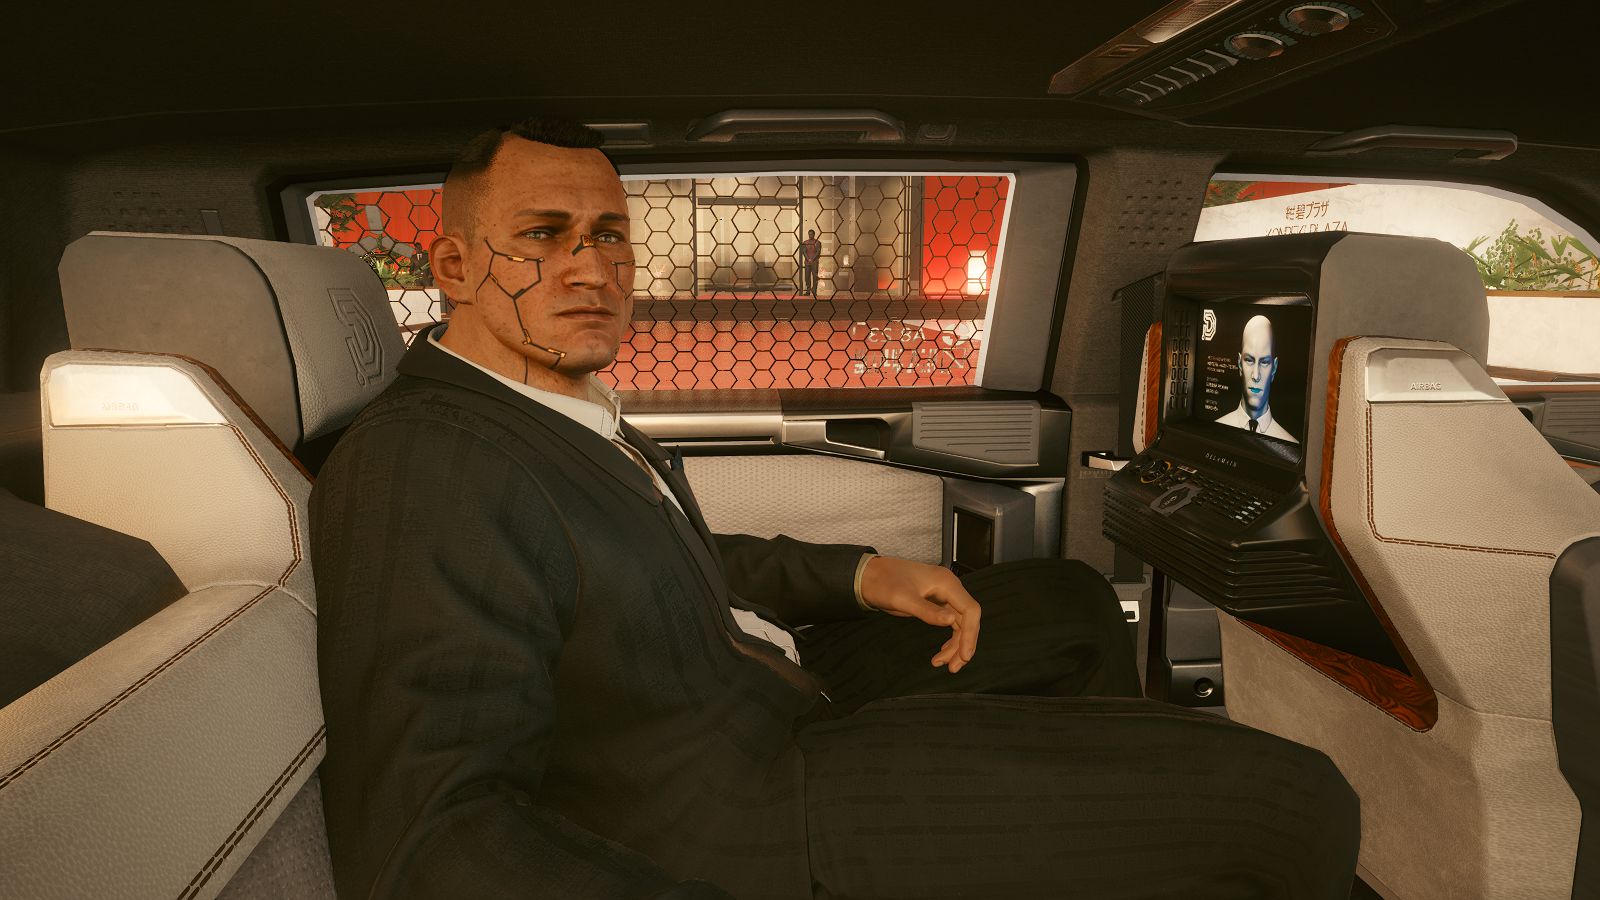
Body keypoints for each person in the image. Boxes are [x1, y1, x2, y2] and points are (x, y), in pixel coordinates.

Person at [311, 117, 1359, 900]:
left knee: (1072, 601)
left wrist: (858, 576)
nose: (591, 268)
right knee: (1295, 806)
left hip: (771, 683)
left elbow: (652, 553)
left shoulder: (545, 404)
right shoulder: (424, 464)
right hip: (751, 809)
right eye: (543, 236)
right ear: (455, 266)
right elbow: (427, 837)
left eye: (609, 234)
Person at [1215, 313, 1300, 442]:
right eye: (1249, 360)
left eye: (1264, 362)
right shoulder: (1216, 428)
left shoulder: (1290, 443)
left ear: (1274, 368)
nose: (1256, 376)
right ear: (1239, 364)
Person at [798, 228, 821, 296]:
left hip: (814, 262)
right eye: (809, 234)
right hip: (808, 262)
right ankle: (808, 291)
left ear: (814, 234)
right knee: (807, 277)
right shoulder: (805, 242)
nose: (810, 235)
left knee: (815, 277)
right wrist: (808, 259)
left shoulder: (817, 242)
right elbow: (804, 252)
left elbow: (818, 252)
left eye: (811, 234)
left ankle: (814, 291)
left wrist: (812, 259)